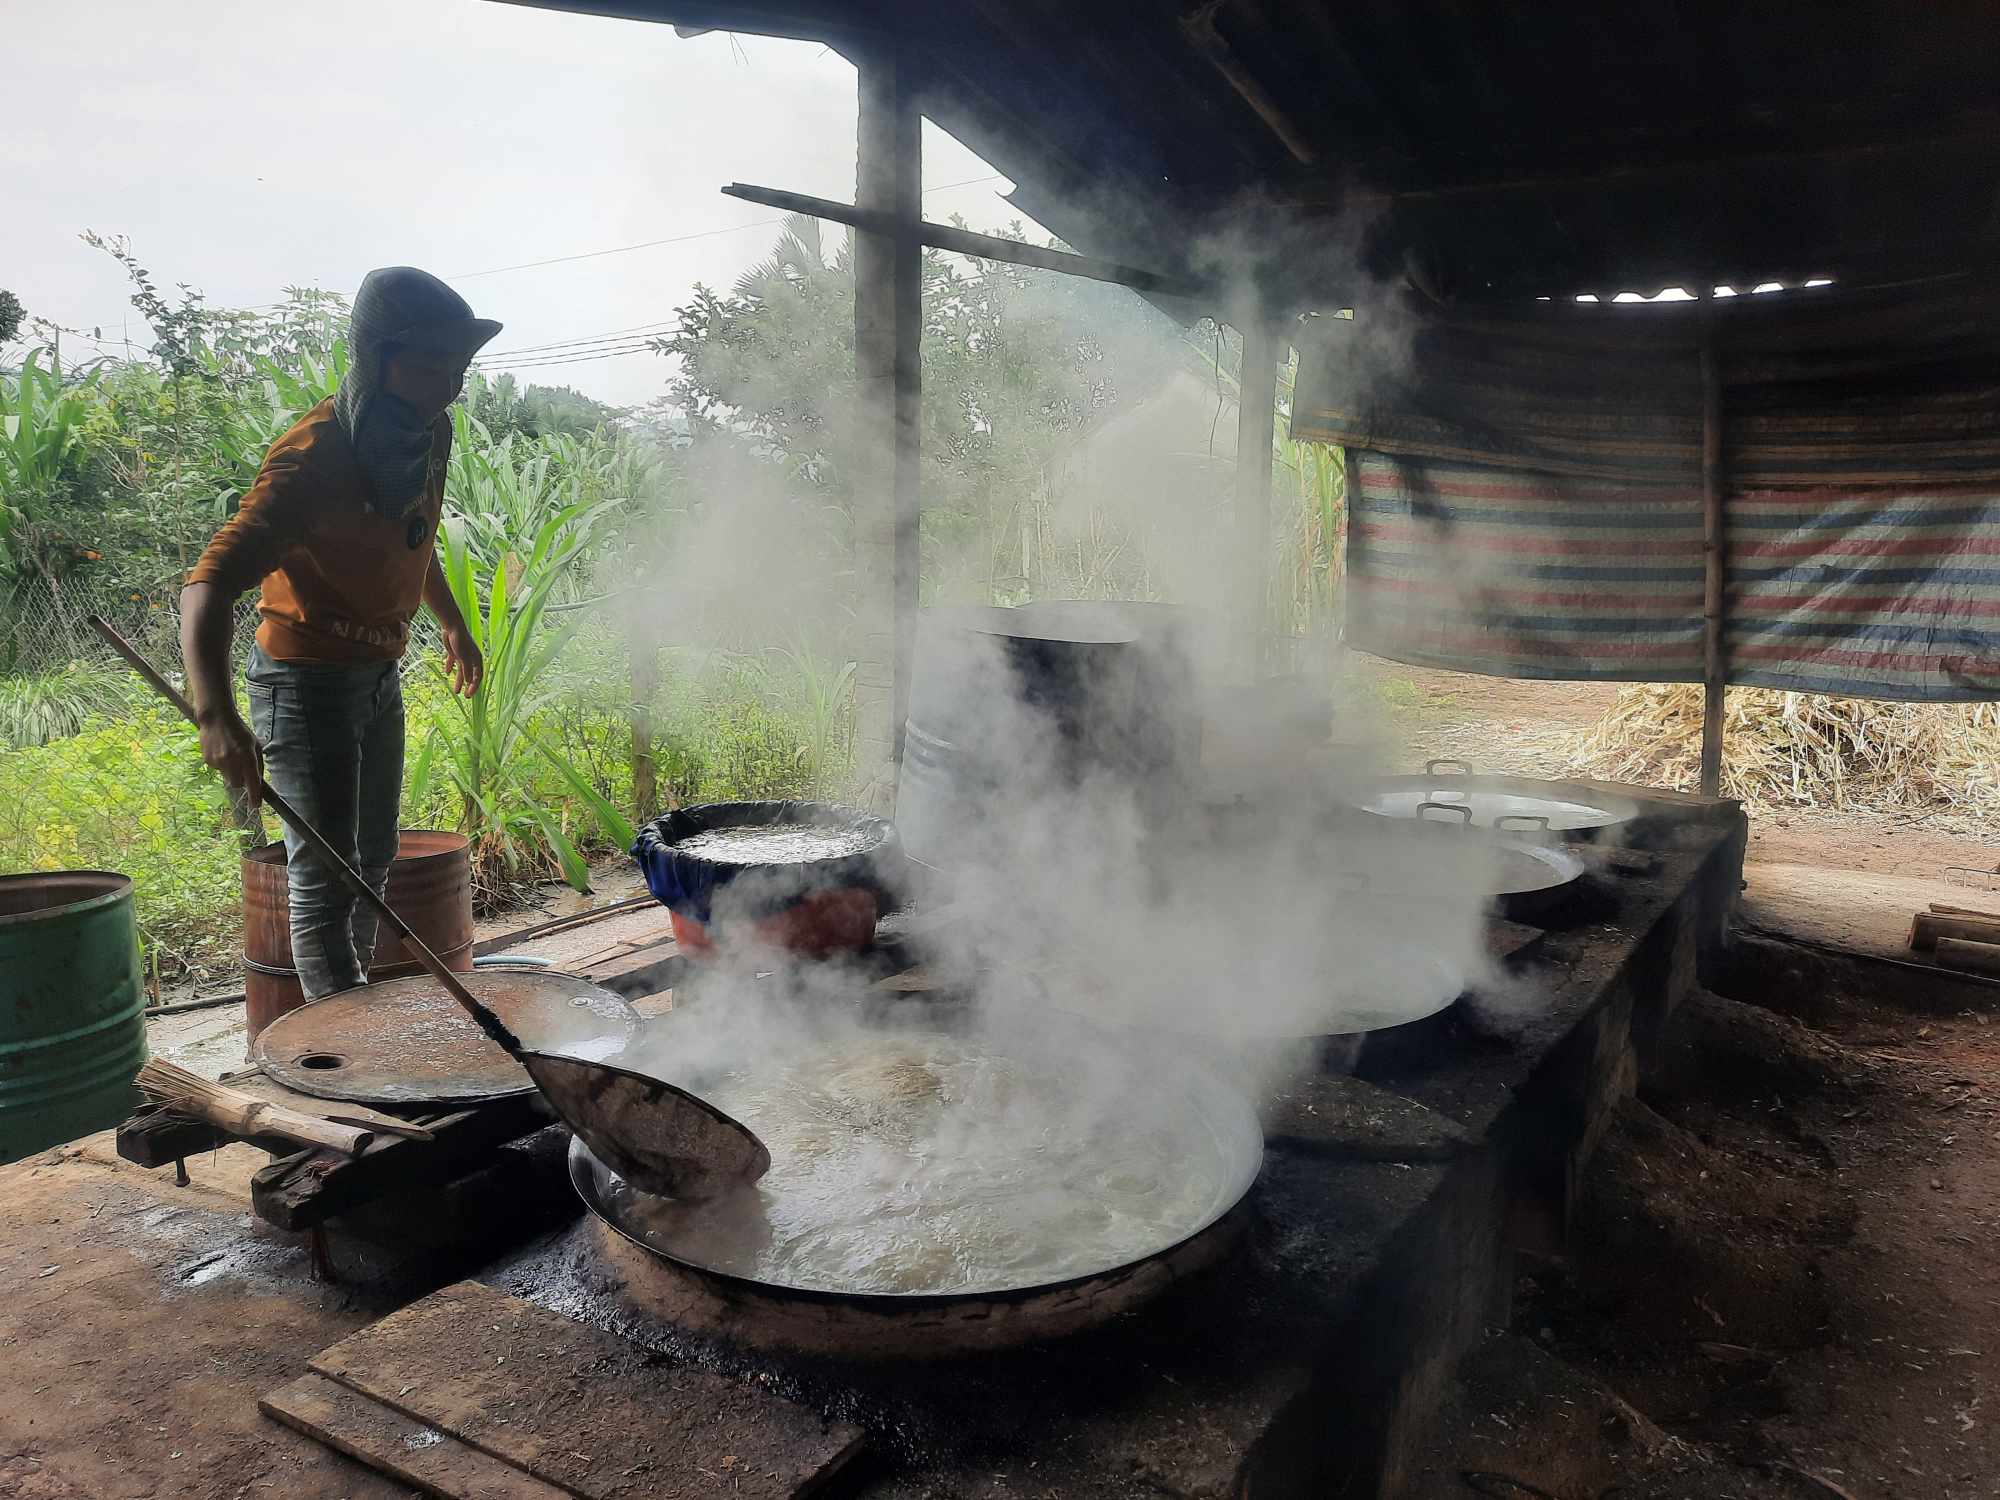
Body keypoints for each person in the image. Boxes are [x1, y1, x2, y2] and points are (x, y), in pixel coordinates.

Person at [181, 267, 498, 999]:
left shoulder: (427, 431)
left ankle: (353, 1012)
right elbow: (208, 583)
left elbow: (412, 534)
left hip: (380, 670)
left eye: (460, 368)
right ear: (378, 359)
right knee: (326, 879)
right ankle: (350, 1035)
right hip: (305, 682)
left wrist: (452, 622)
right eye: (433, 366)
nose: (451, 387)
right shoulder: (314, 458)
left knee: (374, 857)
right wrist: (215, 714)